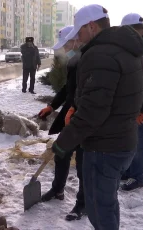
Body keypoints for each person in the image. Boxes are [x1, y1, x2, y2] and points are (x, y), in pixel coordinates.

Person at [51, 4, 143, 230]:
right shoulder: (129, 49)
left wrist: (64, 142)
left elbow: (94, 111)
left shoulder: (100, 54)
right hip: (124, 141)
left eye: (80, 32)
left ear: (92, 26)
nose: (80, 39)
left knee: (99, 209)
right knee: (108, 202)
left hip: (104, 146)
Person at [38, 25, 85, 221]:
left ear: (75, 40)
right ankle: (57, 190)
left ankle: (83, 204)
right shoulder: (75, 60)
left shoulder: (90, 58)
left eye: (66, 45)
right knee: (61, 152)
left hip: (84, 117)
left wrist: (76, 108)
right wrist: (52, 106)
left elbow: (90, 90)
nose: (64, 50)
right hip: (71, 115)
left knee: (83, 162)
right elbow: (69, 87)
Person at [120, 13, 143, 191]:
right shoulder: (139, 45)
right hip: (136, 103)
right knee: (132, 137)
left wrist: (142, 110)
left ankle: (137, 176)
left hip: (142, 105)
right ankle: (130, 171)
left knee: (138, 138)